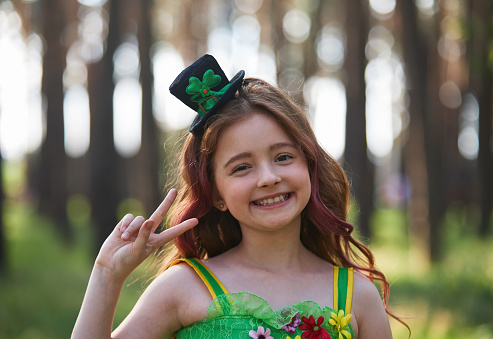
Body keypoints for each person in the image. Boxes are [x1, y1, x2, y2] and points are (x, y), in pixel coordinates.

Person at [72, 55, 406, 339]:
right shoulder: (184, 287)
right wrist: (106, 274)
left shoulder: (356, 296)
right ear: (216, 194)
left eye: (283, 157)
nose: (268, 178)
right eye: (242, 167)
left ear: (310, 166)